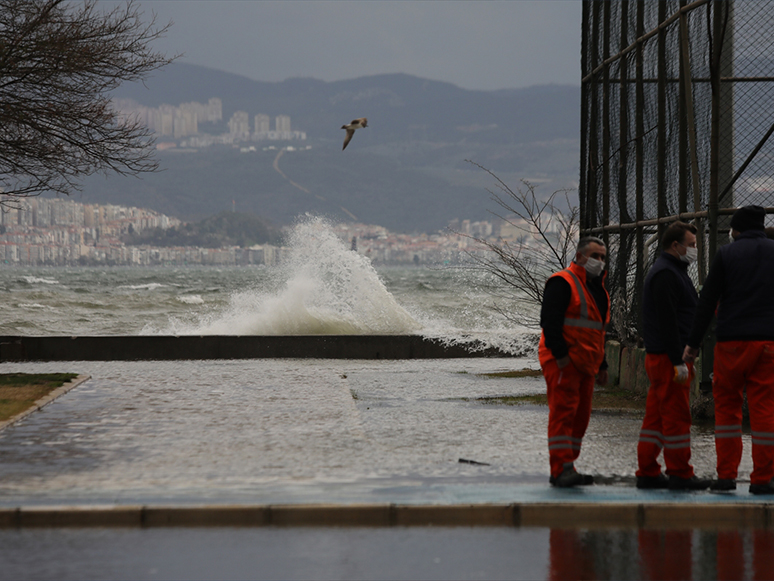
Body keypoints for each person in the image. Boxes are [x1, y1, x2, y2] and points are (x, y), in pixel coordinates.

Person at [684, 205, 774, 494]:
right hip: (768, 343)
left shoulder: (726, 254)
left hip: (732, 342)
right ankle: (763, 480)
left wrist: (693, 344)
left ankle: (726, 478)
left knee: (727, 408)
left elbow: (707, 301)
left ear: (737, 229)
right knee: (765, 410)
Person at [636, 221, 710, 490]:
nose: (695, 250)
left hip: (663, 358)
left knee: (656, 418)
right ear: (675, 245)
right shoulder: (667, 274)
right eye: (691, 245)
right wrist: (678, 361)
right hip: (669, 360)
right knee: (678, 417)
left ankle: (647, 470)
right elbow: (668, 321)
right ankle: (680, 472)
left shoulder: (672, 271)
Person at [539, 236, 609, 487]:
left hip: (585, 364)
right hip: (563, 361)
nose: (599, 262)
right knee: (563, 414)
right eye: (594, 256)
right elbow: (550, 323)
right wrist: (562, 359)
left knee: (580, 418)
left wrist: (602, 365)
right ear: (579, 257)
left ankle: (568, 465)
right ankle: (560, 469)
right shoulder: (562, 282)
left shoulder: (597, 290)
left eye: (602, 257)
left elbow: (597, 332)